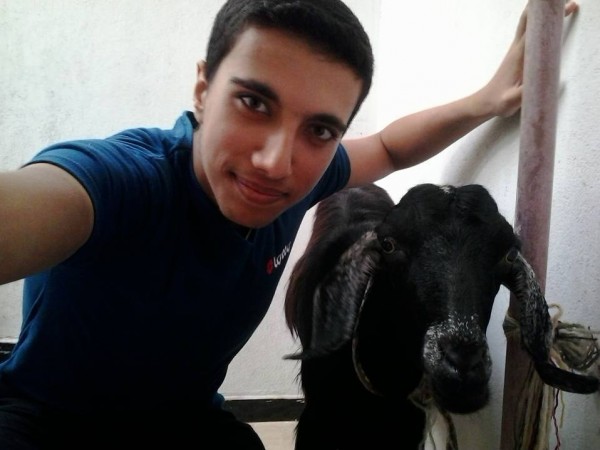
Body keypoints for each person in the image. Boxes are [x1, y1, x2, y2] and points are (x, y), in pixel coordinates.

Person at [0, 0, 578, 448]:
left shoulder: (308, 179)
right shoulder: (119, 181)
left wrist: (485, 101)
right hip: (49, 423)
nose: (276, 163)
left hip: (183, 421)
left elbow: (388, 146)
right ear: (202, 89)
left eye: (319, 129)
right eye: (254, 103)